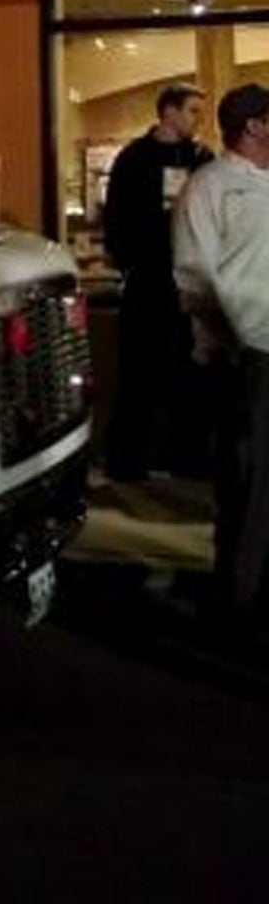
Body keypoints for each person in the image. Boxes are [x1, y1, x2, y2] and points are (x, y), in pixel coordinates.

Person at [172, 83, 269, 639]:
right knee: (249, 482)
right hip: (247, 356)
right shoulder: (209, 187)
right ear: (254, 126)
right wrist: (226, 345)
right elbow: (195, 277)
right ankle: (237, 600)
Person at [102, 83, 214, 480]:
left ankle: (186, 458)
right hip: (149, 281)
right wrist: (134, 258)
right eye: (192, 110)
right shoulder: (134, 160)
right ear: (168, 112)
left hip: (188, 282)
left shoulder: (201, 159)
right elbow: (116, 220)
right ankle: (129, 462)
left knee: (190, 375)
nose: (197, 119)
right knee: (140, 375)